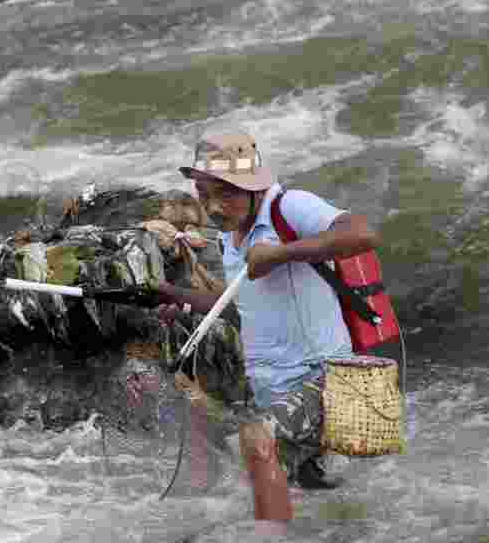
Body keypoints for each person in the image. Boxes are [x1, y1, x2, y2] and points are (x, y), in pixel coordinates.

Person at [154, 131, 380, 521]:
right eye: (204, 194)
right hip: (275, 389)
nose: (215, 206)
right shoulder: (230, 236)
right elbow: (242, 307)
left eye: (226, 193)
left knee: (257, 439)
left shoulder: (288, 207)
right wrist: (176, 297)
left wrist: (281, 254)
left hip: (326, 376)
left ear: (253, 187)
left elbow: (361, 233)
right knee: (312, 494)